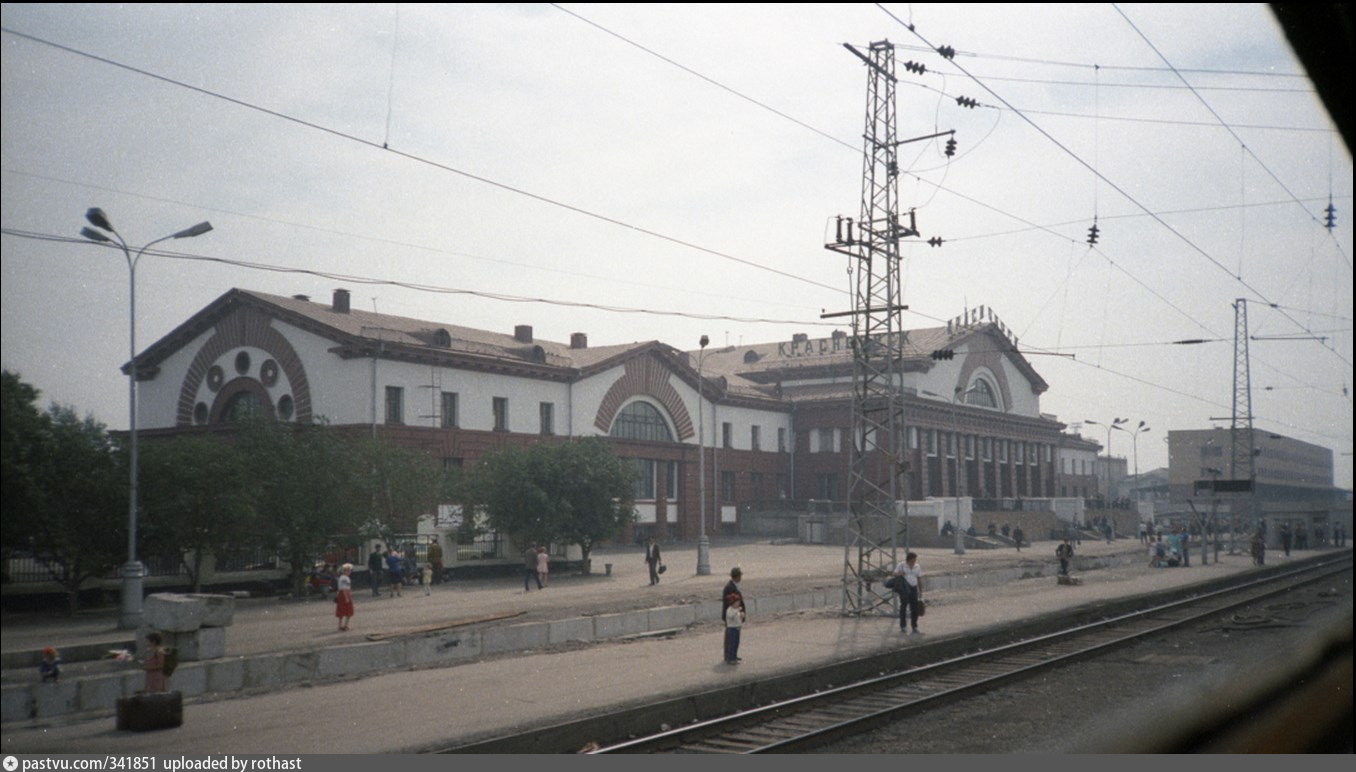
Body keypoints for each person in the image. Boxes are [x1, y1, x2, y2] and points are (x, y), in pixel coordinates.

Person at [892, 552, 924, 634]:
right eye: (913, 559)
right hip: (904, 588)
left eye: (915, 559)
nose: (914, 561)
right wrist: (899, 573)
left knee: (914, 608)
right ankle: (903, 626)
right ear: (909, 559)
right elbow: (894, 573)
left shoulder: (917, 566)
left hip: (913, 588)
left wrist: (920, 591)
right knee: (903, 606)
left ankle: (914, 626)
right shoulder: (902, 565)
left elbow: (919, 578)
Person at [722, 567, 745, 664]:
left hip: (734, 617)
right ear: (737, 576)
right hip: (731, 618)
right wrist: (738, 612)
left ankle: (732, 656)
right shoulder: (730, 587)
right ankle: (730, 657)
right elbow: (730, 603)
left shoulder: (732, 585)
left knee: (733, 640)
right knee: (731, 640)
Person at [335, 563, 354, 631]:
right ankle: (344, 625)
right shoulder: (344, 578)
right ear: (344, 571)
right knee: (347, 610)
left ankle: (342, 625)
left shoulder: (344, 577)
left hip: (343, 594)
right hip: (344, 594)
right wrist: (346, 597)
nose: (350, 572)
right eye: (348, 570)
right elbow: (344, 588)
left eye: (350, 570)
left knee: (342, 610)